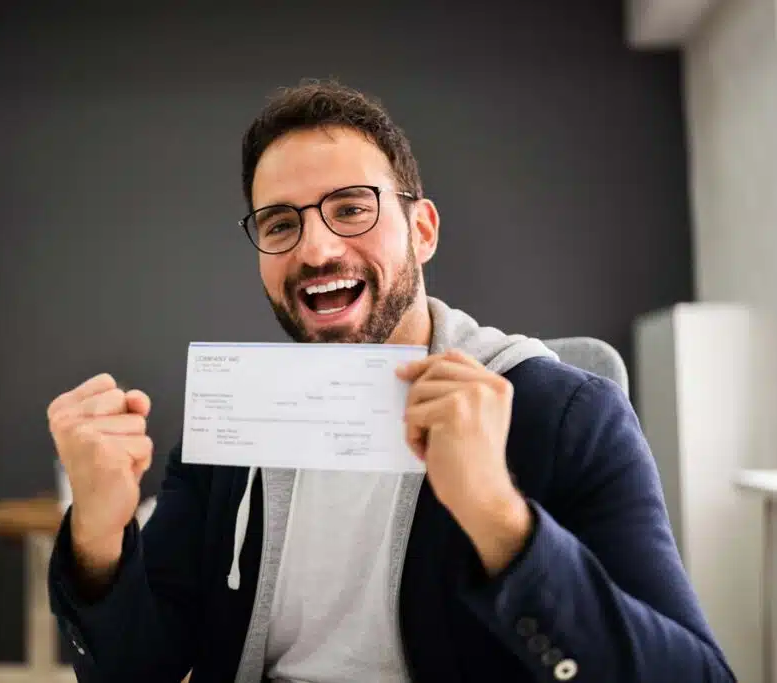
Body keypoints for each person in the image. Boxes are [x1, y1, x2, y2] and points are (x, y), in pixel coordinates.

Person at [46, 80, 736, 683]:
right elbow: (135, 668)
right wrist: (99, 534)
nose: (316, 249)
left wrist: (501, 520)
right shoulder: (234, 425)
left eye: (351, 208)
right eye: (280, 224)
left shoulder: (568, 414)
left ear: (423, 228)